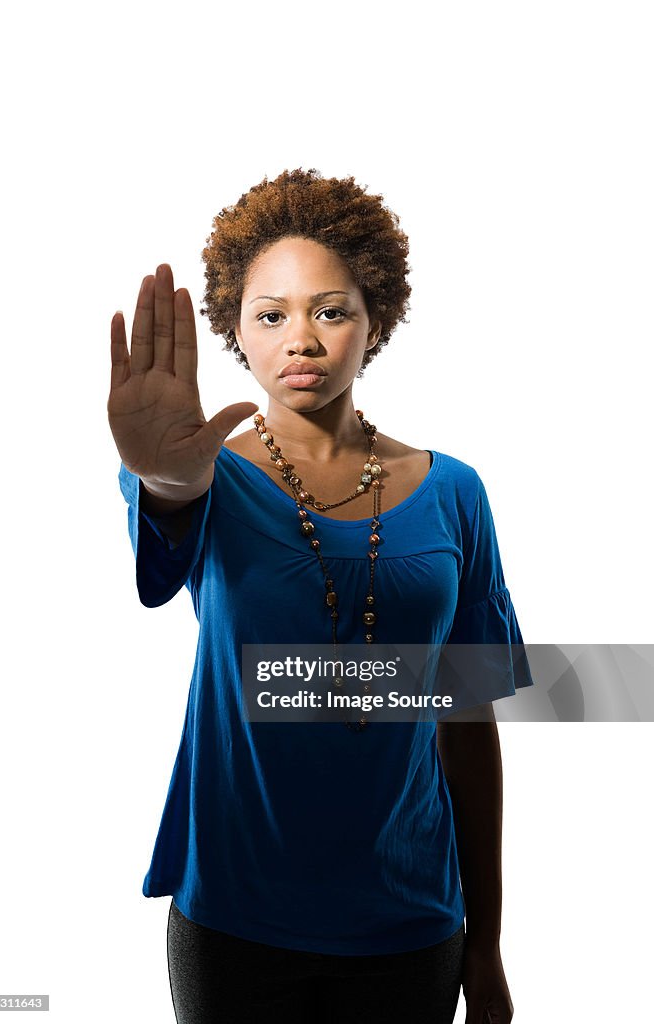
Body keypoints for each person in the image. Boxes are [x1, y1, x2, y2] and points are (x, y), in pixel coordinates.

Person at [108, 167, 534, 1024]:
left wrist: (485, 946)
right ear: (236, 329)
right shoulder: (205, 474)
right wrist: (161, 475)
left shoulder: (455, 492)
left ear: (375, 319)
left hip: (407, 921)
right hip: (234, 912)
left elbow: (469, 725)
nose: (299, 338)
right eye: (270, 315)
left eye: (329, 310)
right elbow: (162, 543)